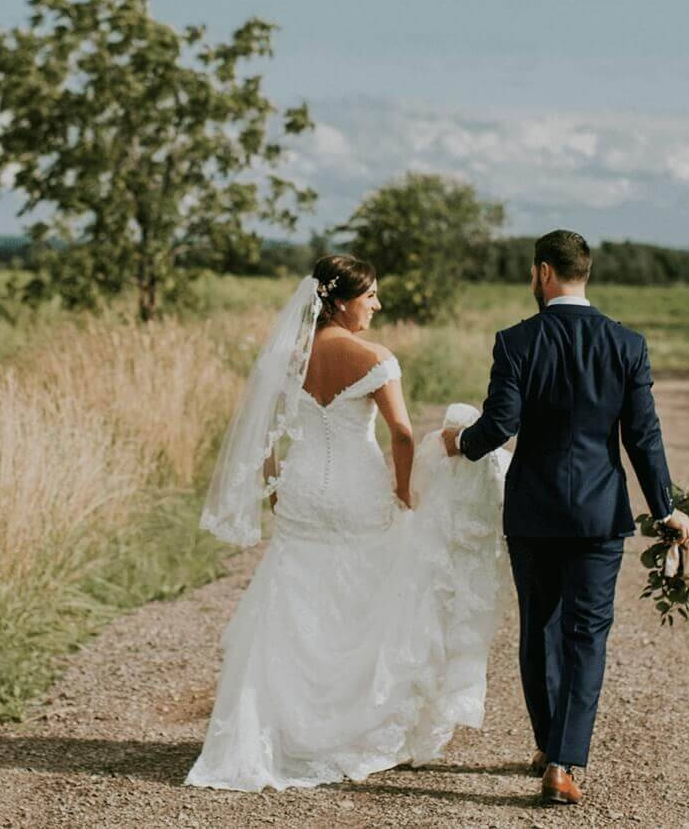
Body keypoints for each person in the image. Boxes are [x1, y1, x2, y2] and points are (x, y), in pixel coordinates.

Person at [186, 254, 510, 792]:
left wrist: (273, 489)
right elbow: (402, 434)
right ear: (340, 302)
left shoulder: (286, 357)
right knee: (360, 602)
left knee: (293, 600)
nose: (377, 305)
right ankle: (347, 730)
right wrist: (405, 490)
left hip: (302, 489)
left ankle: (277, 731)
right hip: (357, 490)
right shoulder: (374, 357)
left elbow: (265, 430)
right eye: (371, 296)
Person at [442, 229, 689, 805]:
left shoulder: (515, 341)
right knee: (587, 635)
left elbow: (499, 424)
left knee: (539, 629)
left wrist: (459, 443)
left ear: (543, 274)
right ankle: (562, 761)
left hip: (532, 511)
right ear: (584, 274)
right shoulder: (626, 344)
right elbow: (643, 436)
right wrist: (666, 507)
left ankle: (546, 742)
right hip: (598, 517)